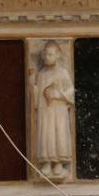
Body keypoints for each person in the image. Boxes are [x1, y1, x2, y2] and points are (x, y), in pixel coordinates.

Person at [33, 41, 74, 180]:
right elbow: (37, 93)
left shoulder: (62, 72)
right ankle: (46, 162)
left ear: (57, 55)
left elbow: (71, 91)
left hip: (59, 110)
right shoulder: (42, 74)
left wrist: (58, 95)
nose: (47, 57)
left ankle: (57, 164)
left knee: (59, 134)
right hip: (45, 111)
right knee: (46, 134)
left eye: (50, 54)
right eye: (45, 54)